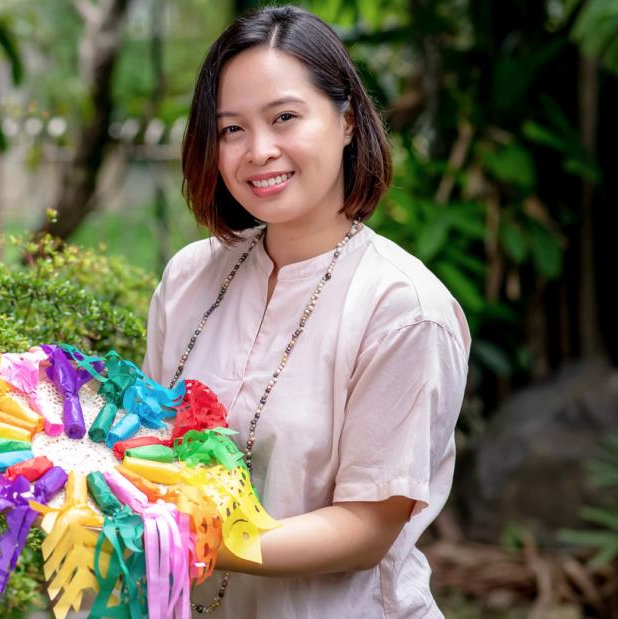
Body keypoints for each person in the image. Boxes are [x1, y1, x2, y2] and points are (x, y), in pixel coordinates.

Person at [141, 5, 471, 618]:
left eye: (285, 118)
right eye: (231, 129)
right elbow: (150, 450)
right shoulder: (190, 277)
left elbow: (366, 528)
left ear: (347, 121)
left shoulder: (402, 309)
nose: (258, 150)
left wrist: (180, 538)